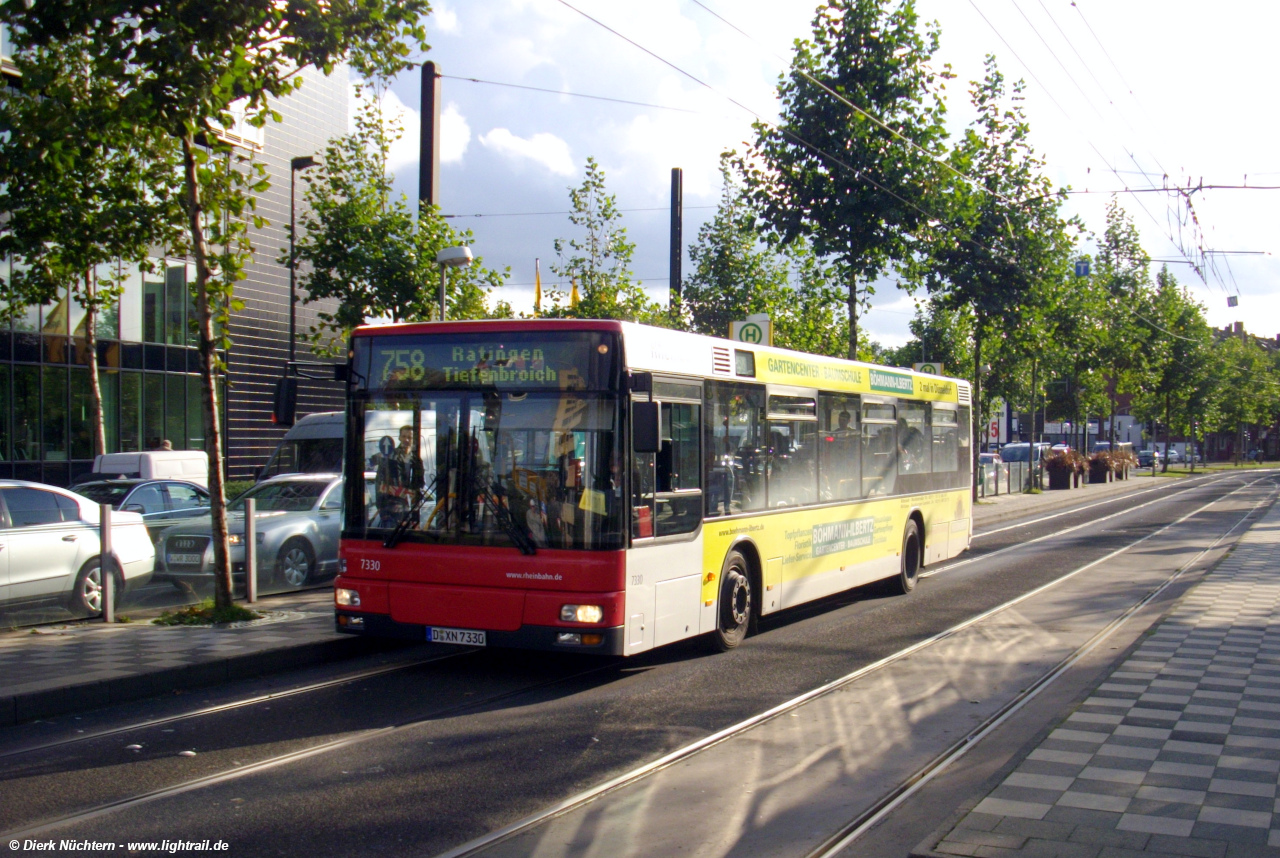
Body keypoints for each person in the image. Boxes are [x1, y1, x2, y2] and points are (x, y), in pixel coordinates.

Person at [376, 425, 421, 528]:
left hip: (409, 513)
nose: (406, 440)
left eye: (409, 437)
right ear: (399, 438)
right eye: (404, 436)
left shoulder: (416, 460)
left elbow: (418, 488)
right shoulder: (391, 458)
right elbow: (381, 486)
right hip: (391, 513)